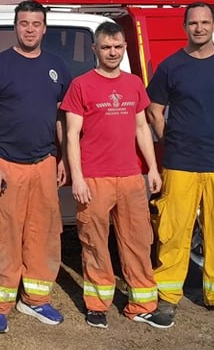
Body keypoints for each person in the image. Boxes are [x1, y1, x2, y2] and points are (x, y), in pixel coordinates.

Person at [61, 22, 174, 330]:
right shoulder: (81, 85)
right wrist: (78, 178)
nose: (112, 52)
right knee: (94, 243)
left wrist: (151, 168)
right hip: (95, 178)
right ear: (95, 49)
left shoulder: (134, 83)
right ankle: (97, 304)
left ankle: (142, 305)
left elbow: (141, 128)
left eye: (118, 47)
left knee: (138, 241)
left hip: (130, 177)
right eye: (106, 47)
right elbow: (72, 135)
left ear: (125, 48)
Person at [146, 2, 214, 322]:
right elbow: (154, 109)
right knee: (173, 230)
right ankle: (167, 296)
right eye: (193, 23)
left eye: (205, 22)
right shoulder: (170, 66)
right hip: (180, 162)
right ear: (184, 27)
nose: (199, 28)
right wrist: (171, 137)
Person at [0, 0, 70, 334]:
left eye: (36, 23)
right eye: (24, 23)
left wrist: (63, 158)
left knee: (43, 235)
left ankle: (36, 300)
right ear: (15, 26)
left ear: (45, 28)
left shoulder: (56, 67)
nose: (30, 29)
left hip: (44, 163)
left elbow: (61, 118)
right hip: (6, 164)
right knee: (3, 236)